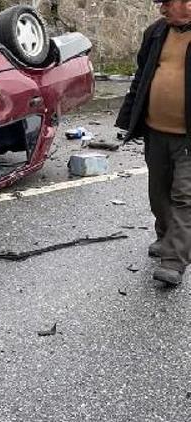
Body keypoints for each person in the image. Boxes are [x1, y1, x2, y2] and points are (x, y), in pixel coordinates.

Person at [116, 0, 191, 285]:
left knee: (184, 196)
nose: (162, 8)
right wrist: (128, 119)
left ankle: (174, 259)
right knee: (158, 192)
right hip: (156, 131)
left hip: (188, 136)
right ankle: (166, 236)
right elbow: (142, 77)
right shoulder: (156, 32)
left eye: (169, 3)